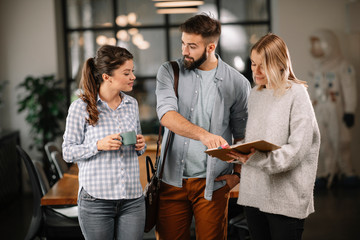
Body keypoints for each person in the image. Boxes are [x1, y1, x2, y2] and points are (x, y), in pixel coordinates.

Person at [155, 13, 251, 240]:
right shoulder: (169, 72)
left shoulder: (237, 83)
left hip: (214, 184)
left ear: (210, 47)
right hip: (171, 182)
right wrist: (204, 135)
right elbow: (166, 115)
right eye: (183, 43)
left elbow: (243, 136)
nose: (184, 51)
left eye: (192, 46)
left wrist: (237, 175)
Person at [227, 33, 320, 240]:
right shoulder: (256, 94)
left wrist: (254, 157)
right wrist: (236, 149)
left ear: (280, 64)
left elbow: (297, 150)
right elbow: (257, 140)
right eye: (253, 64)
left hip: (285, 199)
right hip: (254, 195)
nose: (256, 71)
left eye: (263, 65)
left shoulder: (297, 94)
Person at [62, 45, 146, 240]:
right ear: (107, 77)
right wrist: (98, 145)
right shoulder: (80, 107)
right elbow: (67, 152)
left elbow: (137, 147)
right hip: (96, 200)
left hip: (132, 198)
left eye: (132, 71)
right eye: (126, 73)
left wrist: (139, 146)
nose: (133, 76)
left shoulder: (131, 104)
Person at [308, 29, 358, 188]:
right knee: (323, 142)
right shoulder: (318, 67)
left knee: (343, 140)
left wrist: (350, 110)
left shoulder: (343, 66)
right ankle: (327, 173)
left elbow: (349, 89)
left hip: (338, 111)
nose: (314, 49)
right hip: (321, 110)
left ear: (328, 45)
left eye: (318, 45)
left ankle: (347, 172)